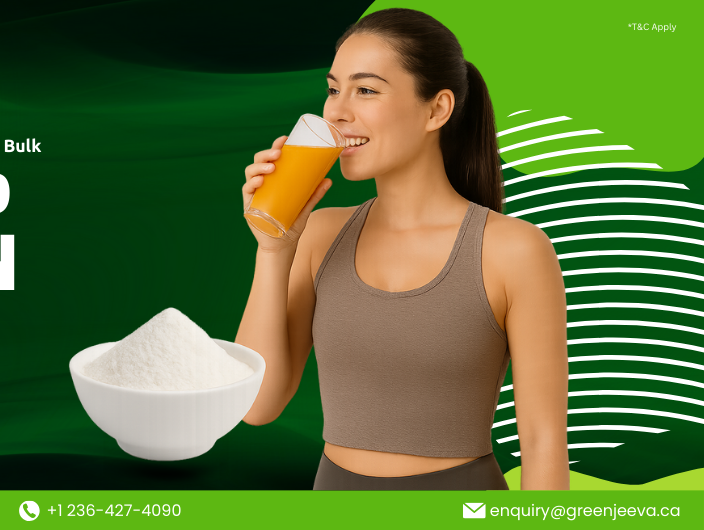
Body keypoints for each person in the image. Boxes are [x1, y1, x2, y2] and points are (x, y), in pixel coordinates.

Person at [235, 8, 570, 491]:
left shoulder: (514, 250)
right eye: (334, 89)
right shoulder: (317, 235)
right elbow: (254, 407)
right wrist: (273, 250)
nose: (336, 111)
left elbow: (542, 443)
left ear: (436, 109)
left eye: (365, 90)